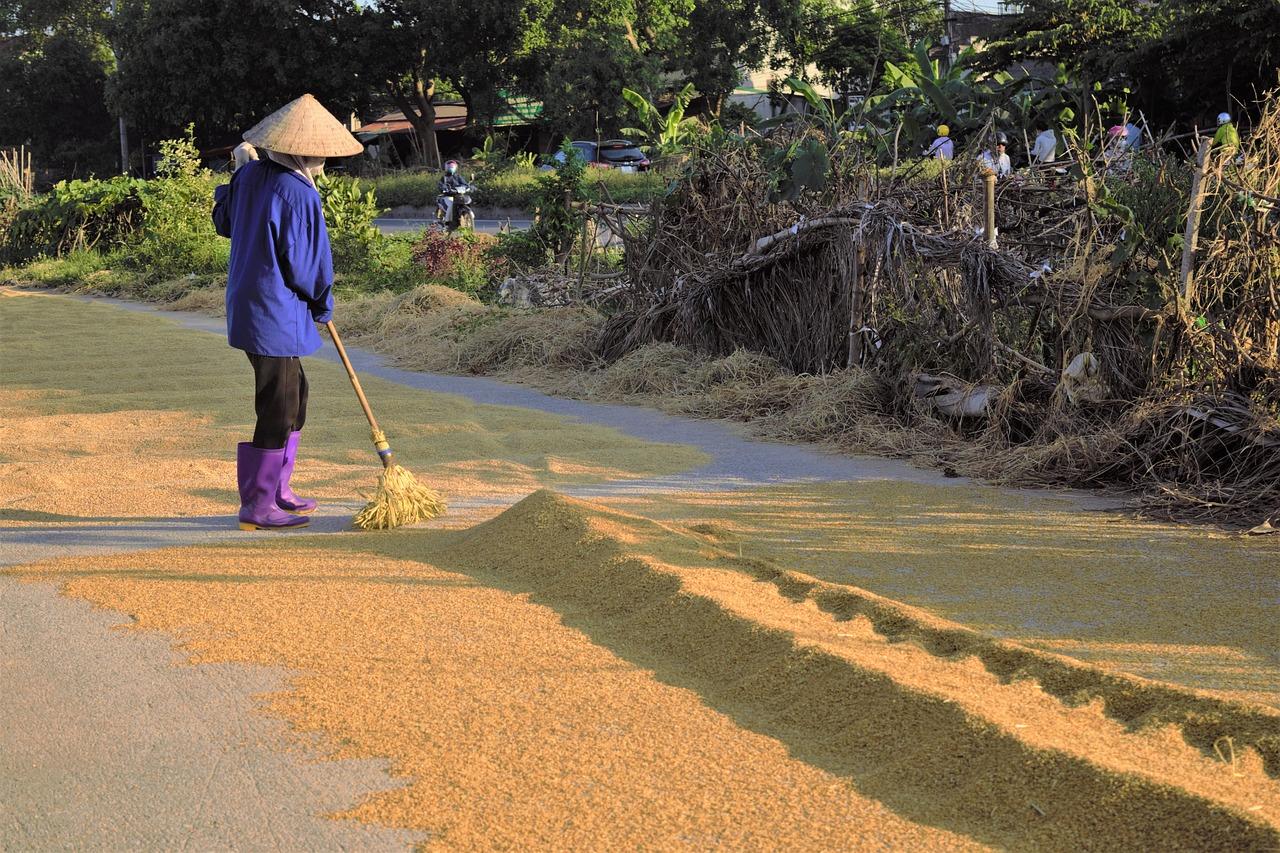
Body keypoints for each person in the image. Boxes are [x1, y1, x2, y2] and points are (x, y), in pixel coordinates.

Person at [212, 93, 363, 531]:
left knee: (296, 400)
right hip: (272, 310)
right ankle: (257, 505)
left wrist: (237, 174)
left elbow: (223, 222)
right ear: (303, 151)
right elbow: (308, 265)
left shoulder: (252, 176)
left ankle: (278, 488)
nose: (323, 161)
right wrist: (323, 302)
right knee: (278, 406)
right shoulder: (297, 193)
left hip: (255, 305)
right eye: (319, 154)